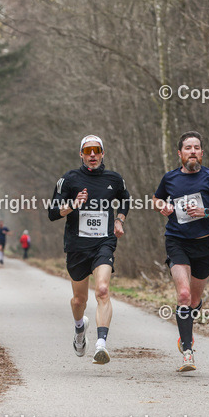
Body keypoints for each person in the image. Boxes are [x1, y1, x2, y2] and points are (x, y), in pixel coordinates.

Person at [153, 131, 209, 372]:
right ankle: (188, 351)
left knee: (193, 300)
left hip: (203, 244)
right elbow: (156, 199)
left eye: (196, 147)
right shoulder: (170, 178)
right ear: (180, 154)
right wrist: (164, 206)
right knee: (182, 295)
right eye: (188, 147)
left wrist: (205, 212)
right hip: (177, 241)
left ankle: (185, 331)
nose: (192, 151)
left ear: (201, 153)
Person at [47, 134, 131, 364]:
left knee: (102, 290)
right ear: (81, 155)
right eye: (87, 151)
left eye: (96, 150)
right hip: (77, 246)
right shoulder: (69, 179)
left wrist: (119, 220)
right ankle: (79, 327)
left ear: (103, 153)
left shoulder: (114, 178)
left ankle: (101, 344)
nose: (92, 154)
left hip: (103, 243)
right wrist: (73, 204)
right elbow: (52, 212)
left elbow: (125, 198)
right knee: (78, 301)